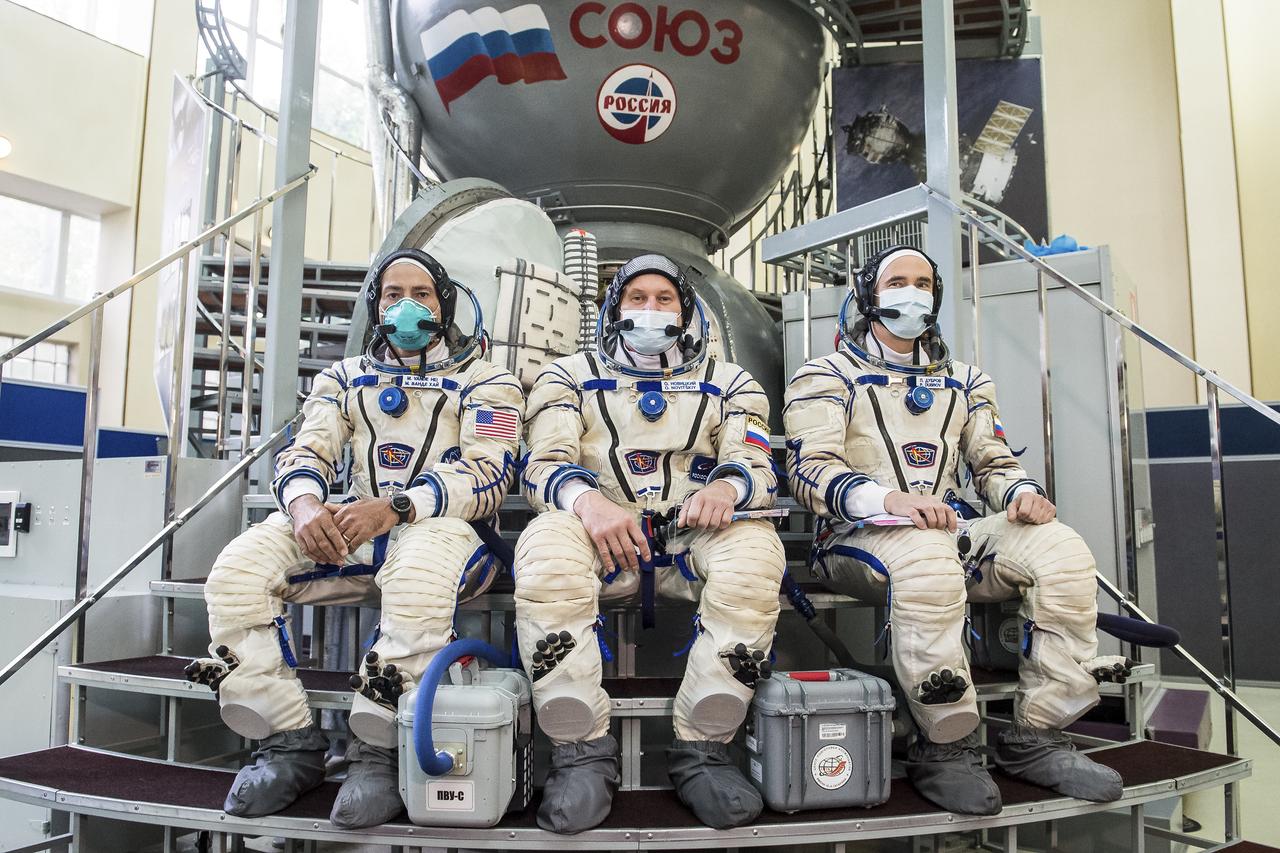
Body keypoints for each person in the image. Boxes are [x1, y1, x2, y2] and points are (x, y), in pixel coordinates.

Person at [783, 245, 1130, 815]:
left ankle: (1037, 736)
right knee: (926, 558)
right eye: (898, 281)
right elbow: (810, 470)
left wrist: (1022, 496)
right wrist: (889, 500)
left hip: (948, 530)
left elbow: (993, 463)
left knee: (1062, 550)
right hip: (854, 535)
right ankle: (945, 745)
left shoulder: (966, 382)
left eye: (924, 282)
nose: (912, 292)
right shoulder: (825, 375)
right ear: (870, 293)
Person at [186, 248, 524, 828]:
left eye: (421, 294)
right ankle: (288, 743)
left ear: (444, 304)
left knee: (416, 584)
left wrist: (394, 506)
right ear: (376, 307)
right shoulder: (342, 378)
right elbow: (305, 450)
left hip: (449, 529)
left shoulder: (489, 381)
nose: (407, 307)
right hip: (356, 525)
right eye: (393, 295)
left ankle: (377, 752)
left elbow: (490, 474)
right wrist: (304, 504)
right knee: (239, 572)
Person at [514, 253, 785, 833]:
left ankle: (703, 752)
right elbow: (542, 465)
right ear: (615, 307)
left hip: (693, 535)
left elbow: (756, 463)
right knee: (547, 553)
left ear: (685, 312)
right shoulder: (567, 376)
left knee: (756, 557)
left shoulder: (730, 382)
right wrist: (591, 503)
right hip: (599, 533)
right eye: (637, 298)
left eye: (665, 300)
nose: (650, 310)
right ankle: (580, 753)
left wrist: (727, 487)